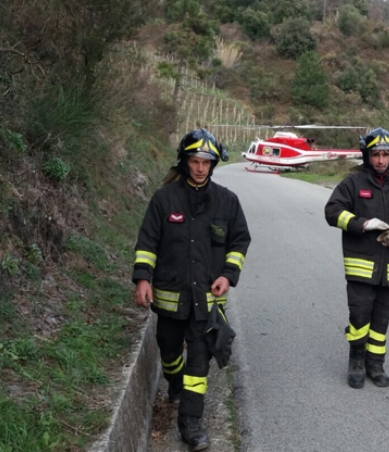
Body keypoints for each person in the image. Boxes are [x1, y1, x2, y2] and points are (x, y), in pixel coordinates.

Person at [132, 128, 251, 451]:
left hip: (207, 302)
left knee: (199, 361)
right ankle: (174, 380)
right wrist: (142, 278)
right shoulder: (164, 199)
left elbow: (240, 241)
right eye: (195, 161)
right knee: (169, 350)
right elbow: (147, 242)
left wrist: (228, 275)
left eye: (206, 162)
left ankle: (191, 423)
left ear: (213, 164)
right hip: (170, 298)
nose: (200, 168)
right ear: (185, 161)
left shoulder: (227, 201)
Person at [324, 127, 389, 389]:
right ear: (367, 155)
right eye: (376, 154)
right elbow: (332, 211)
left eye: (385, 154)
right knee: (359, 316)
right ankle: (356, 361)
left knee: (381, 319)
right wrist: (363, 224)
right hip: (360, 266)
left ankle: (376, 364)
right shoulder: (353, 183)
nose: (381, 160)